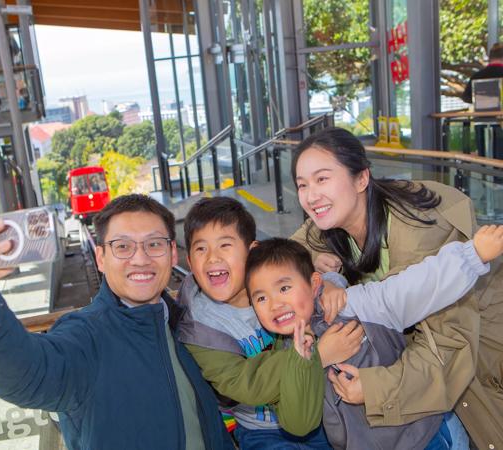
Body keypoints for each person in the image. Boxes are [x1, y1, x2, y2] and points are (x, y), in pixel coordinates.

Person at [0, 194, 234, 450]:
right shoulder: (85, 337)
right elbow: (28, 375)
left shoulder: (188, 324)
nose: (140, 258)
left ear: (172, 254)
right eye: (122, 246)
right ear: (101, 258)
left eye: (154, 244)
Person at [290, 127, 503, 448]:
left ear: (361, 179)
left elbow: (448, 343)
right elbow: (286, 254)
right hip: (427, 370)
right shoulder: (329, 226)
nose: (310, 195)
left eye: (322, 179)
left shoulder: (421, 233)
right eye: (302, 185)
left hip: (482, 362)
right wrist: (316, 266)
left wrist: (375, 390)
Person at [244, 226, 502, 450]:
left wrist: (472, 256)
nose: (275, 304)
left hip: (424, 437)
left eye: (284, 288)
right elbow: (299, 423)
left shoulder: (349, 306)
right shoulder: (285, 352)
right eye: (261, 298)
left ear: (314, 285)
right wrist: (308, 362)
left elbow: (415, 288)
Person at [178, 197, 363, 449]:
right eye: (201, 248)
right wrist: (318, 355)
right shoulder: (199, 326)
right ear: (189, 262)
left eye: (225, 245)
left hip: (320, 409)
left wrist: (331, 283)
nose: (212, 258)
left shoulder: (271, 280)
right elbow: (243, 383)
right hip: (262, 431)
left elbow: (307, 278)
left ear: (251, 250)